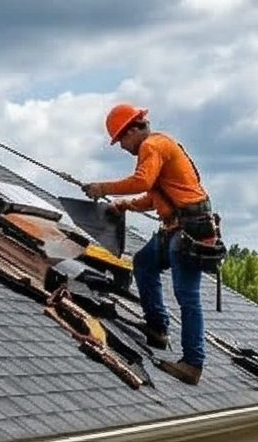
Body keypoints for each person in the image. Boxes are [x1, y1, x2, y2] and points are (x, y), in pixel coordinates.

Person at [83, 102, 213, 384]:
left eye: (121, 139)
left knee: (187, 296)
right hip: (177, 229)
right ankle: (157, 329)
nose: (121, 147)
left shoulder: (151, 146)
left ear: (133, 130)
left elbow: (142, 181)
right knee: (143, 263)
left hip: (189, 232)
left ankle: (193, 363)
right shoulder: (160, 146)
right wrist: (125, 206)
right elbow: (153, 196)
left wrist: (102, 188)